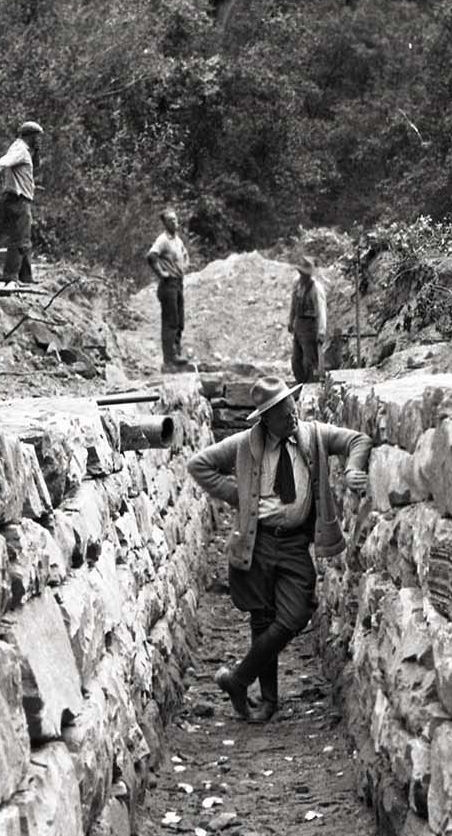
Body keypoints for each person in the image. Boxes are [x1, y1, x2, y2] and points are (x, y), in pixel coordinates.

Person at [188, 378, 371, 722]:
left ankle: (239, 679)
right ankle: (268, 702)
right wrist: (241, 497)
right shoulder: (245, 444)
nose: (293, 416)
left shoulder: (313, 435)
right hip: (256, 543)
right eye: (285, 412)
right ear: (266, 417)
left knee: (296, 613)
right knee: (262, 617)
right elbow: (200, 465)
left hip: (293, 542)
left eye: (293, 407)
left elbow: (357, 439)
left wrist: (353, 468)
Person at [0, 118, 43, 282]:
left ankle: (26, 277)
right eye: (37, 137)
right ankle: (10, 277)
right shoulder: (20, 149)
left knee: (25, 239)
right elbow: (8, 159)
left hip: (20, 199)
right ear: (31, 136)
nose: (39, 140)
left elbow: (29, 167)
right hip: (18, 200)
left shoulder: (24, 149)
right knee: (19, 239)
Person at [146, 205, 196, 371]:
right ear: (165, 223)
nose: (175, 223)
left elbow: (185, 253)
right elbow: (151, 256)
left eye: (175, 219)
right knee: (170, 321)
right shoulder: (163, 240)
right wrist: (162, 273)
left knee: (179, 320)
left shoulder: (177, 239)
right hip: (168, 285)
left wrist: (185, 266)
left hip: (178, 282)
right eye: (171, 220)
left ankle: (177, 353)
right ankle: (169, 358)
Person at [289, 253, 328, 383]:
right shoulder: (297, 284)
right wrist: (291, 320)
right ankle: (300, 382)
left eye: (305, 274)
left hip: (310, 324)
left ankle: (310, 384)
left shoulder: (316, 289)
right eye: (301, 273)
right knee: (296, 360)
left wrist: (321, 331)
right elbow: (293, 303)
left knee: (309, 360)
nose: (302, 276)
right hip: (299, 323)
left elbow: (321, 311)